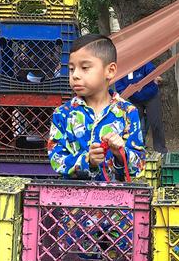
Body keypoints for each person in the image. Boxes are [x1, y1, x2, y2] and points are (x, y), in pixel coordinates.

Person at [47, 34, 145, 181]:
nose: (75, 75)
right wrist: (87, 161)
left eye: (85, 68)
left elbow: (138, 165)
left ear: (110, 71)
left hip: (116, 200)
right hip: (72, 199)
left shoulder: (128, 112)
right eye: (72, 69)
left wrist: (120, 153)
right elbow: (56, 160)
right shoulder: (63, 113)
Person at [113, 62, 168, 153]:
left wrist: (155, 77)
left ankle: (161, 150)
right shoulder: (122, 70)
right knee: (134, 124)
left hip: (151, 96)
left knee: (156, 122)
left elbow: (152, 72)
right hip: (135, 99)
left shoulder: (143, 63)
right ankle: (136, 148)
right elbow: (119, 87)